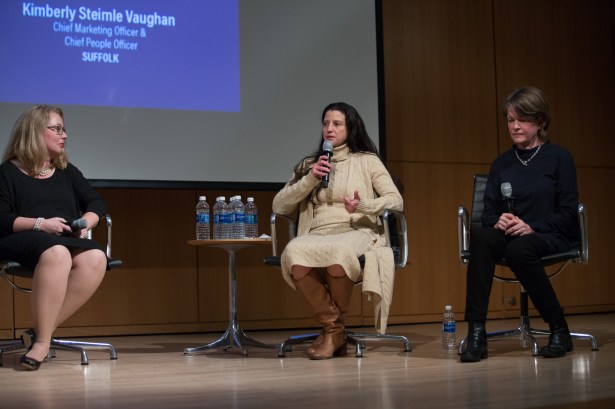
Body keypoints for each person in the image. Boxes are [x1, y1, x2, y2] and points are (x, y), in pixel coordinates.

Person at [272, 102, 403, 360]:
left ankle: (332, 332)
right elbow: (279, 205)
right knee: (294, 252)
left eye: (336, 123)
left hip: (357, 229)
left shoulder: (367, 161)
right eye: (325, 124)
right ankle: (335, 329)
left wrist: (364, 204)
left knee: (339, 252)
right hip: (318, 231)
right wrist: (310, 178)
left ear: (350, 127)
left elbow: (395, 200)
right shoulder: (311, 164)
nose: (329, 129)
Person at [461, 87, 580, 362]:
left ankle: (558, 328)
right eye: (510, 119)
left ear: (539, 121)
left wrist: (533, 226)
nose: (514, 125)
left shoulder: (559, 158)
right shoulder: (502, 163)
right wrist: (498, 219)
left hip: (550, 233)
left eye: (522, 119)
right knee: (482, 237)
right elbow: (487, 212)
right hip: (512, 233)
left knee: (518, 251)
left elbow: (568, 212)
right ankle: (476, 333)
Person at [0, 105, 108, 370]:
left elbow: (96, 202)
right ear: (35, 132)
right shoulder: (7, 172)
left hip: (62, 240)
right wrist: (40, 224)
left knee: (96, 257)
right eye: (57, 129)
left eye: (64, 129)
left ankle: (39, 333)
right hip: (20, 238)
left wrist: (86, 223)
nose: (65, 135)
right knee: (57, 252)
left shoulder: (66, 171)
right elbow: (1, 217)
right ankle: (42, 344)